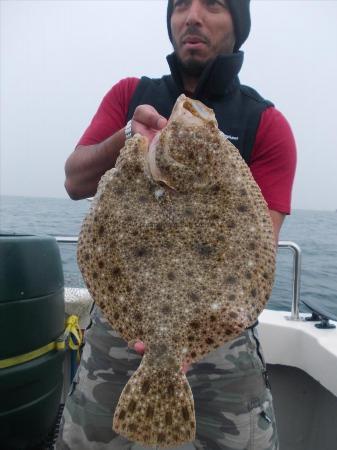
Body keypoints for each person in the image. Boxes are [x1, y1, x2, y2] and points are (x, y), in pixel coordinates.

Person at [57, 0, 296, 449]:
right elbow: (74, 180)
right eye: (181, 4)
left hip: (222, 342)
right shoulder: (130, 94)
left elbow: (259, 247)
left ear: (238, 24)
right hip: (117, 332)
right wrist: (128, 138)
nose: (193, 16)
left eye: (214, 5)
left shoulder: (267, 123)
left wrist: (181, 337)